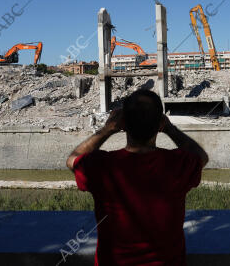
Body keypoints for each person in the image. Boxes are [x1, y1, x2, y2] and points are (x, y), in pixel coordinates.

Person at [66, 89, 208, 265]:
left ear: (123, 124)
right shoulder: (176, 164)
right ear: (160, 124)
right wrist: (170, 129)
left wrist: (106, 130)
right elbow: (201, 156)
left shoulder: (102, 166)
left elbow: (72, 160)